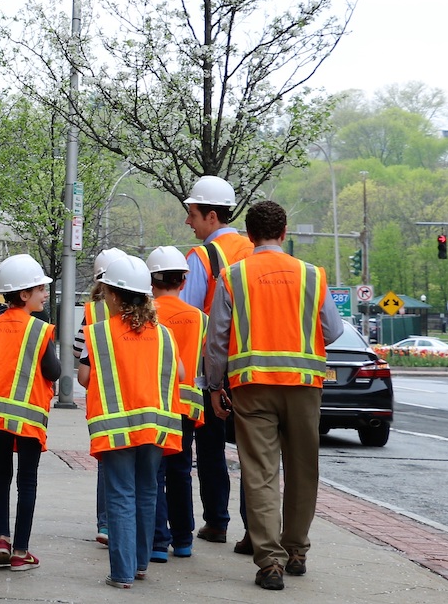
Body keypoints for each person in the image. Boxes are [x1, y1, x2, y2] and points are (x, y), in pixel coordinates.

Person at [205, 200, 343, 591]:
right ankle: (296, 550)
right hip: (303, 386)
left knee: (260, 472)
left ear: (249, 236)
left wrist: (215, 386)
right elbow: (332, 331)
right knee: (303, 469)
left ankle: (269, 563)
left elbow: (216, 341)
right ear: (284, 233)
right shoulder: (312, 276)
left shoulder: (234, 275)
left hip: (252, 387)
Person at [77, 255, 182, 589]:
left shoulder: (99, 334)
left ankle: (121, 574)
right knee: (147, 489)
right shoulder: (163, 334)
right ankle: (139, 564)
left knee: (120, 494)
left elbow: (84, 377)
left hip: (115, 426)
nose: (105, 298)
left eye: (106, 293)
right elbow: (179, 374)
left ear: (115, 295)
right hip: (155, 424)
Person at [0, 253, 60, 572]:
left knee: (1, 476)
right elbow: (54, 370)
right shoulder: (39, 329)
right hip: (29, 416)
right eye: (40, 290)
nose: (44, 294)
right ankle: (21, 551)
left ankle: (1, 540)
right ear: (24, 294)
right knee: (28, 481)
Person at [179, 175, 253, 549]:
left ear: (210, 215)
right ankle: (255, 529)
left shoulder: (203, 258)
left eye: (192, 214)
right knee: (256, 455)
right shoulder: (254, 249)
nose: (189, 222)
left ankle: (217, 522)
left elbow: (188, 319)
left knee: (210, 449)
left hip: (215, 371)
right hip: (255, 369)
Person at [147, 246, 208, 564]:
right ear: (184, 281)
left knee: (155, 472)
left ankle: (158, 542)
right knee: (182, 471)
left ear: (150, 280)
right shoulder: (199, 318)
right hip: (186, 406)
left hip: (155, 403)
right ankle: (183, 539)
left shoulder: (145, 314)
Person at [72, 246, 128, 547]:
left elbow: (80, 356)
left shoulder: (92, 311)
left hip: (103, 394)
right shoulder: (144, 305)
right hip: (136, 391)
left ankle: (106, 523)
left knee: (108, 459)